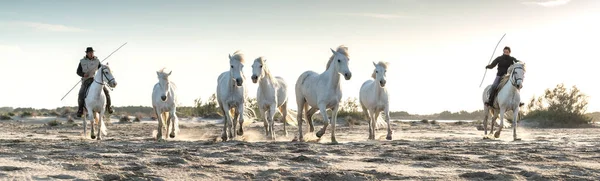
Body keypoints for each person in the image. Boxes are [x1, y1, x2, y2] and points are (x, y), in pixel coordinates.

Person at [76, 47, 113, 118]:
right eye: (90, 52)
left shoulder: (97, 61)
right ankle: (80, 110)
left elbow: (101, 70)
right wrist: (83, 74)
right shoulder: (82, 61)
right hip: (86, 80)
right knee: (81, 93)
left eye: (92, 52)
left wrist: (106, 66)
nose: (91, 54)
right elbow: (78, 71)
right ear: (87, 53)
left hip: (95, 80)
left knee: (106, 91)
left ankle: (109, 107)